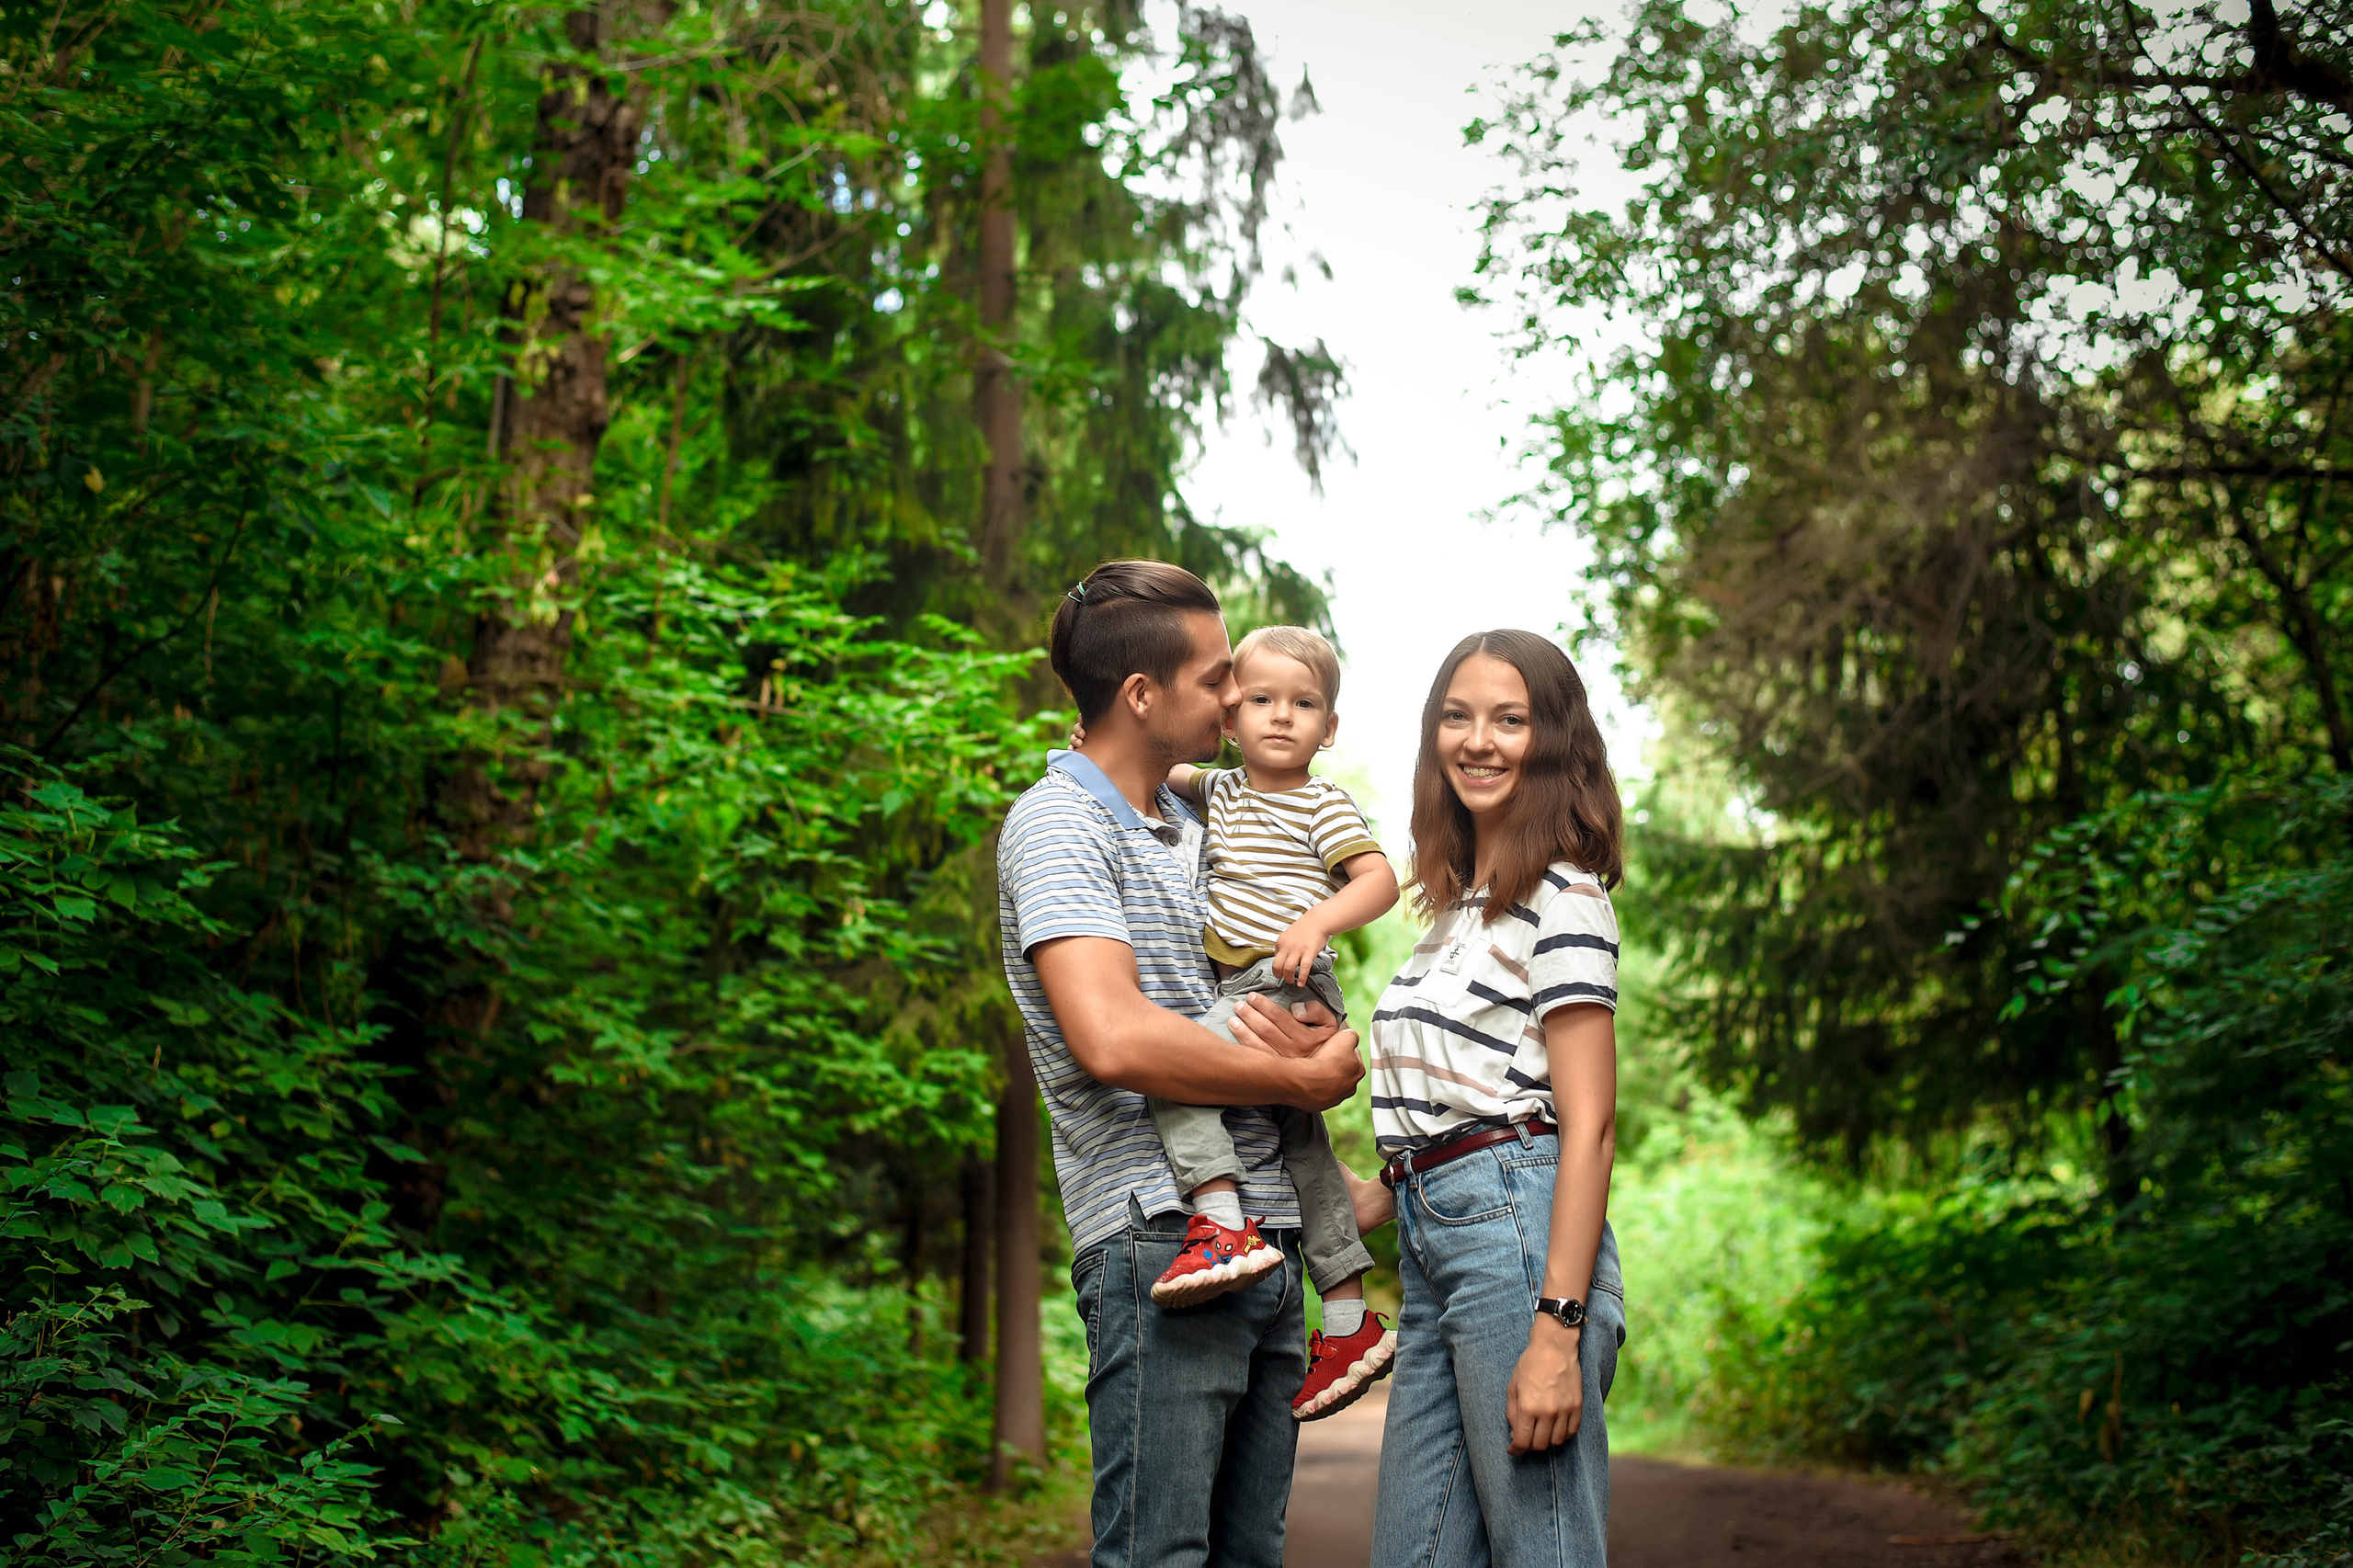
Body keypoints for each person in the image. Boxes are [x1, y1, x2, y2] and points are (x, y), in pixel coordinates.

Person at [995, 560, 1363, 1568]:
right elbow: (1111, 1036)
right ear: (1141, 695)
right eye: (1216, 678)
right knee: (1159, 1555)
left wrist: (1324, 1051)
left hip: (1271, 1240)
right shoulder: (1059, 824)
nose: (1238, 697)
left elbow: (1282, 987)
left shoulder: (1202, 817)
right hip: (1161, 1240)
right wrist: (1298, 1076)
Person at [1362, 630, 1629, 1568]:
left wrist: (1556, 1327)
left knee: (1544, 1548)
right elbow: (1449, 1109)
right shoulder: (1452, 910)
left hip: (1518, 1239)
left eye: (1509, 719)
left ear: (1552, 739)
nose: (1477, 739)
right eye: (1457, 715)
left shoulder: (1565, 894)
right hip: (1437, 1244)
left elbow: (1586, 1123)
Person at [1142, 623, 1401, 1423]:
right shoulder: (1218, 789)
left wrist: (1318, 921)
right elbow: (1158, 763)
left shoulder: (1322, 802)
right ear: (1230, 717)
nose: (1281, 716)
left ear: (1329, 728)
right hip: (1251, 987)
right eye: (1260, 700)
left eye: (1304, 703)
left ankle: (1219, 1221)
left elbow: (1382, 880)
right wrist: (1090, 741)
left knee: (1175, 1072)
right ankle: (1352, 1321)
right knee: (1305, 1152)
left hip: (1281, 983)